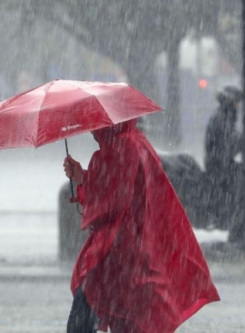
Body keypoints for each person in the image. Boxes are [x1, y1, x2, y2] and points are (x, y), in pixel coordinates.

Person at [63, 119, 220, 333]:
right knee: (127, 317)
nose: (91, 129)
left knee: (86, 315)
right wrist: (83, 176)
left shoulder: (119, 148)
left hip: (117, 252)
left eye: (95, 124)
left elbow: (112, 201)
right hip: (137, 247)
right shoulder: (137, 142)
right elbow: (122, 189)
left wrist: (85, 181)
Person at [203, 86, 242, 227]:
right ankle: (223, 220)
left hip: (219, 162)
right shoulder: (222, 119)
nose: (239, 106)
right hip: (219, 165)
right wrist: (243, 141)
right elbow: (227, 144)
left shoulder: (224, 117)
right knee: (229, 188)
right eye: (238, 102)